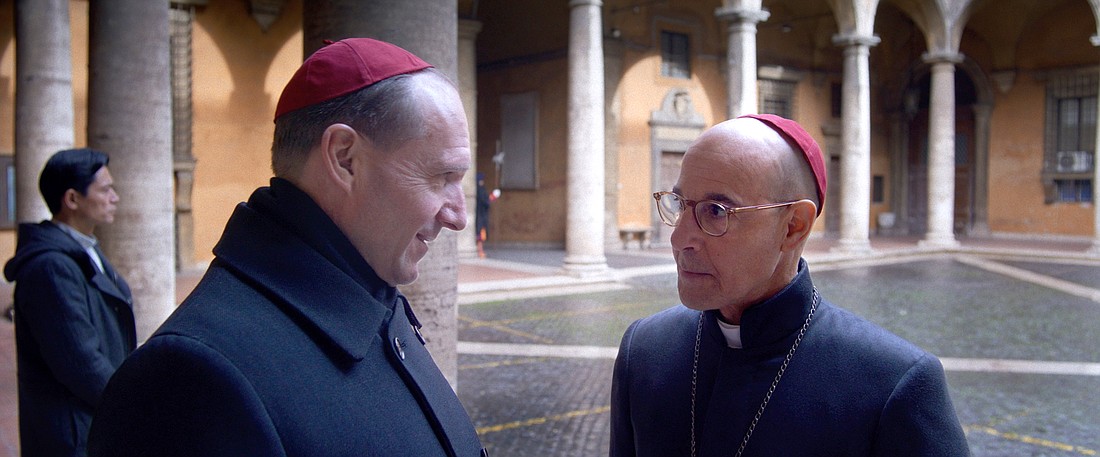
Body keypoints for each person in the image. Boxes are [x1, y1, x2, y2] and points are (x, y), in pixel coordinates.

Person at [87, 38, 487, 456]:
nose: (458, 216)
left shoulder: (370, 293)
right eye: (441, 177)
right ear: (345, 158)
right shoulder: (188, 381)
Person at [609, 114, 969, 456]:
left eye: (716, 211)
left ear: (794, 225)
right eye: (679, 204)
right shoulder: (643, 350)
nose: (680, 238)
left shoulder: (895, 386)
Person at [3, 148, 135, 457]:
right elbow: (81, 362)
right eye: (105, 190)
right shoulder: (51, 267)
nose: (115, 197)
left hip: (89, 420)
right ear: (73, 200)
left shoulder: (84, 248)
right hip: (72, 432)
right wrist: (130, 404)